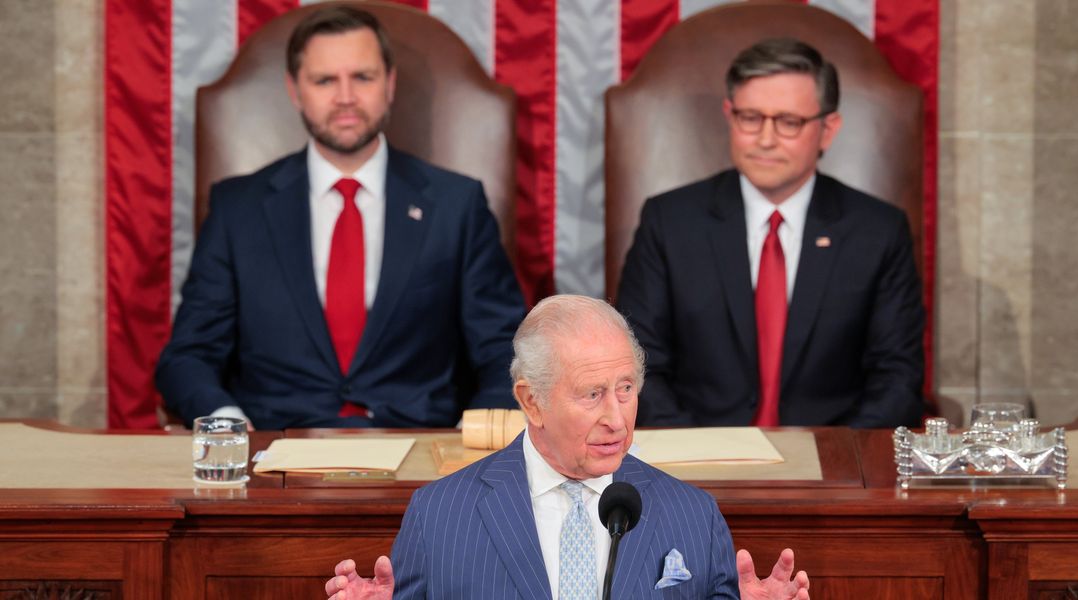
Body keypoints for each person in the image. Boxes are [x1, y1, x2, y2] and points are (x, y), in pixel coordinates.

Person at [156, 6, 526, 429]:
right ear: (295, 91)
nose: (345, 96)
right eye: (325, 80)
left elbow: (505, 350)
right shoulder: (237, 208)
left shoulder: (456, 204)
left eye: (363, 78)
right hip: (274, 455)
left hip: (420, 455)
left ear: (389, 85)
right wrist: (228, 427)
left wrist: (476, 435)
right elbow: (188, 355)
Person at [323, 295, 810, 599]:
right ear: (531, 401)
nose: (616, 419)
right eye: (592, 394)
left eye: (625, 389)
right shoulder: (440, 514)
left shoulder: (694, 514)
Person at [616, 38, 924, 429]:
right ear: (729, 115)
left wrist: (836, 462)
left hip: (832, 465)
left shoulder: (878, 231)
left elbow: (897, 379)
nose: (765, 139)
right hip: (696, 459)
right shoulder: (670, 221)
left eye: (788, 122)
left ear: (828, 129)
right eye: (750, 118)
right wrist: (700, 460)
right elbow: (639, 366)